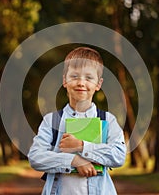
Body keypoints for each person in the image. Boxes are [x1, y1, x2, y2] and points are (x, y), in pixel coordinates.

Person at [28, 47, 126, 195]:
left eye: (89, 78)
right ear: (64, 80)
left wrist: (81, 146)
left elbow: (118, 156)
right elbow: (36, 157)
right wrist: (73, 160)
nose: (81, 83)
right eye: (74, 76)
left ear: (98, 84)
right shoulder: (51, 121)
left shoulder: (108, 120)